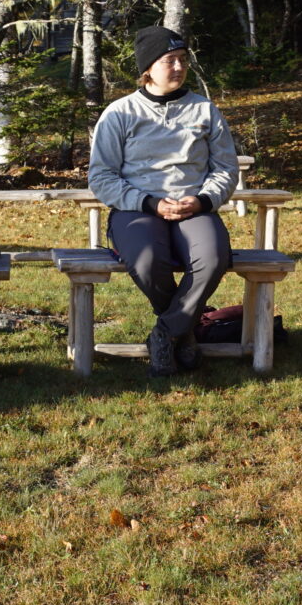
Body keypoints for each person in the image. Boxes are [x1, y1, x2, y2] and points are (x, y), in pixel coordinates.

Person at [88, 25, 239, 377]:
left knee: (214, 257)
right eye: (169, 60)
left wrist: (203, 200)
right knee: (146, 260)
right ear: (148, 69)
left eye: (183, 60)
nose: (178, 67)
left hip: (193, 208)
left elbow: (225, 170)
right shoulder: (120, 113)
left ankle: (166, 331)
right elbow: (102, 176)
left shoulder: (204, 111)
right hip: (137, 208)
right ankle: (183, 329)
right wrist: (148, 203)